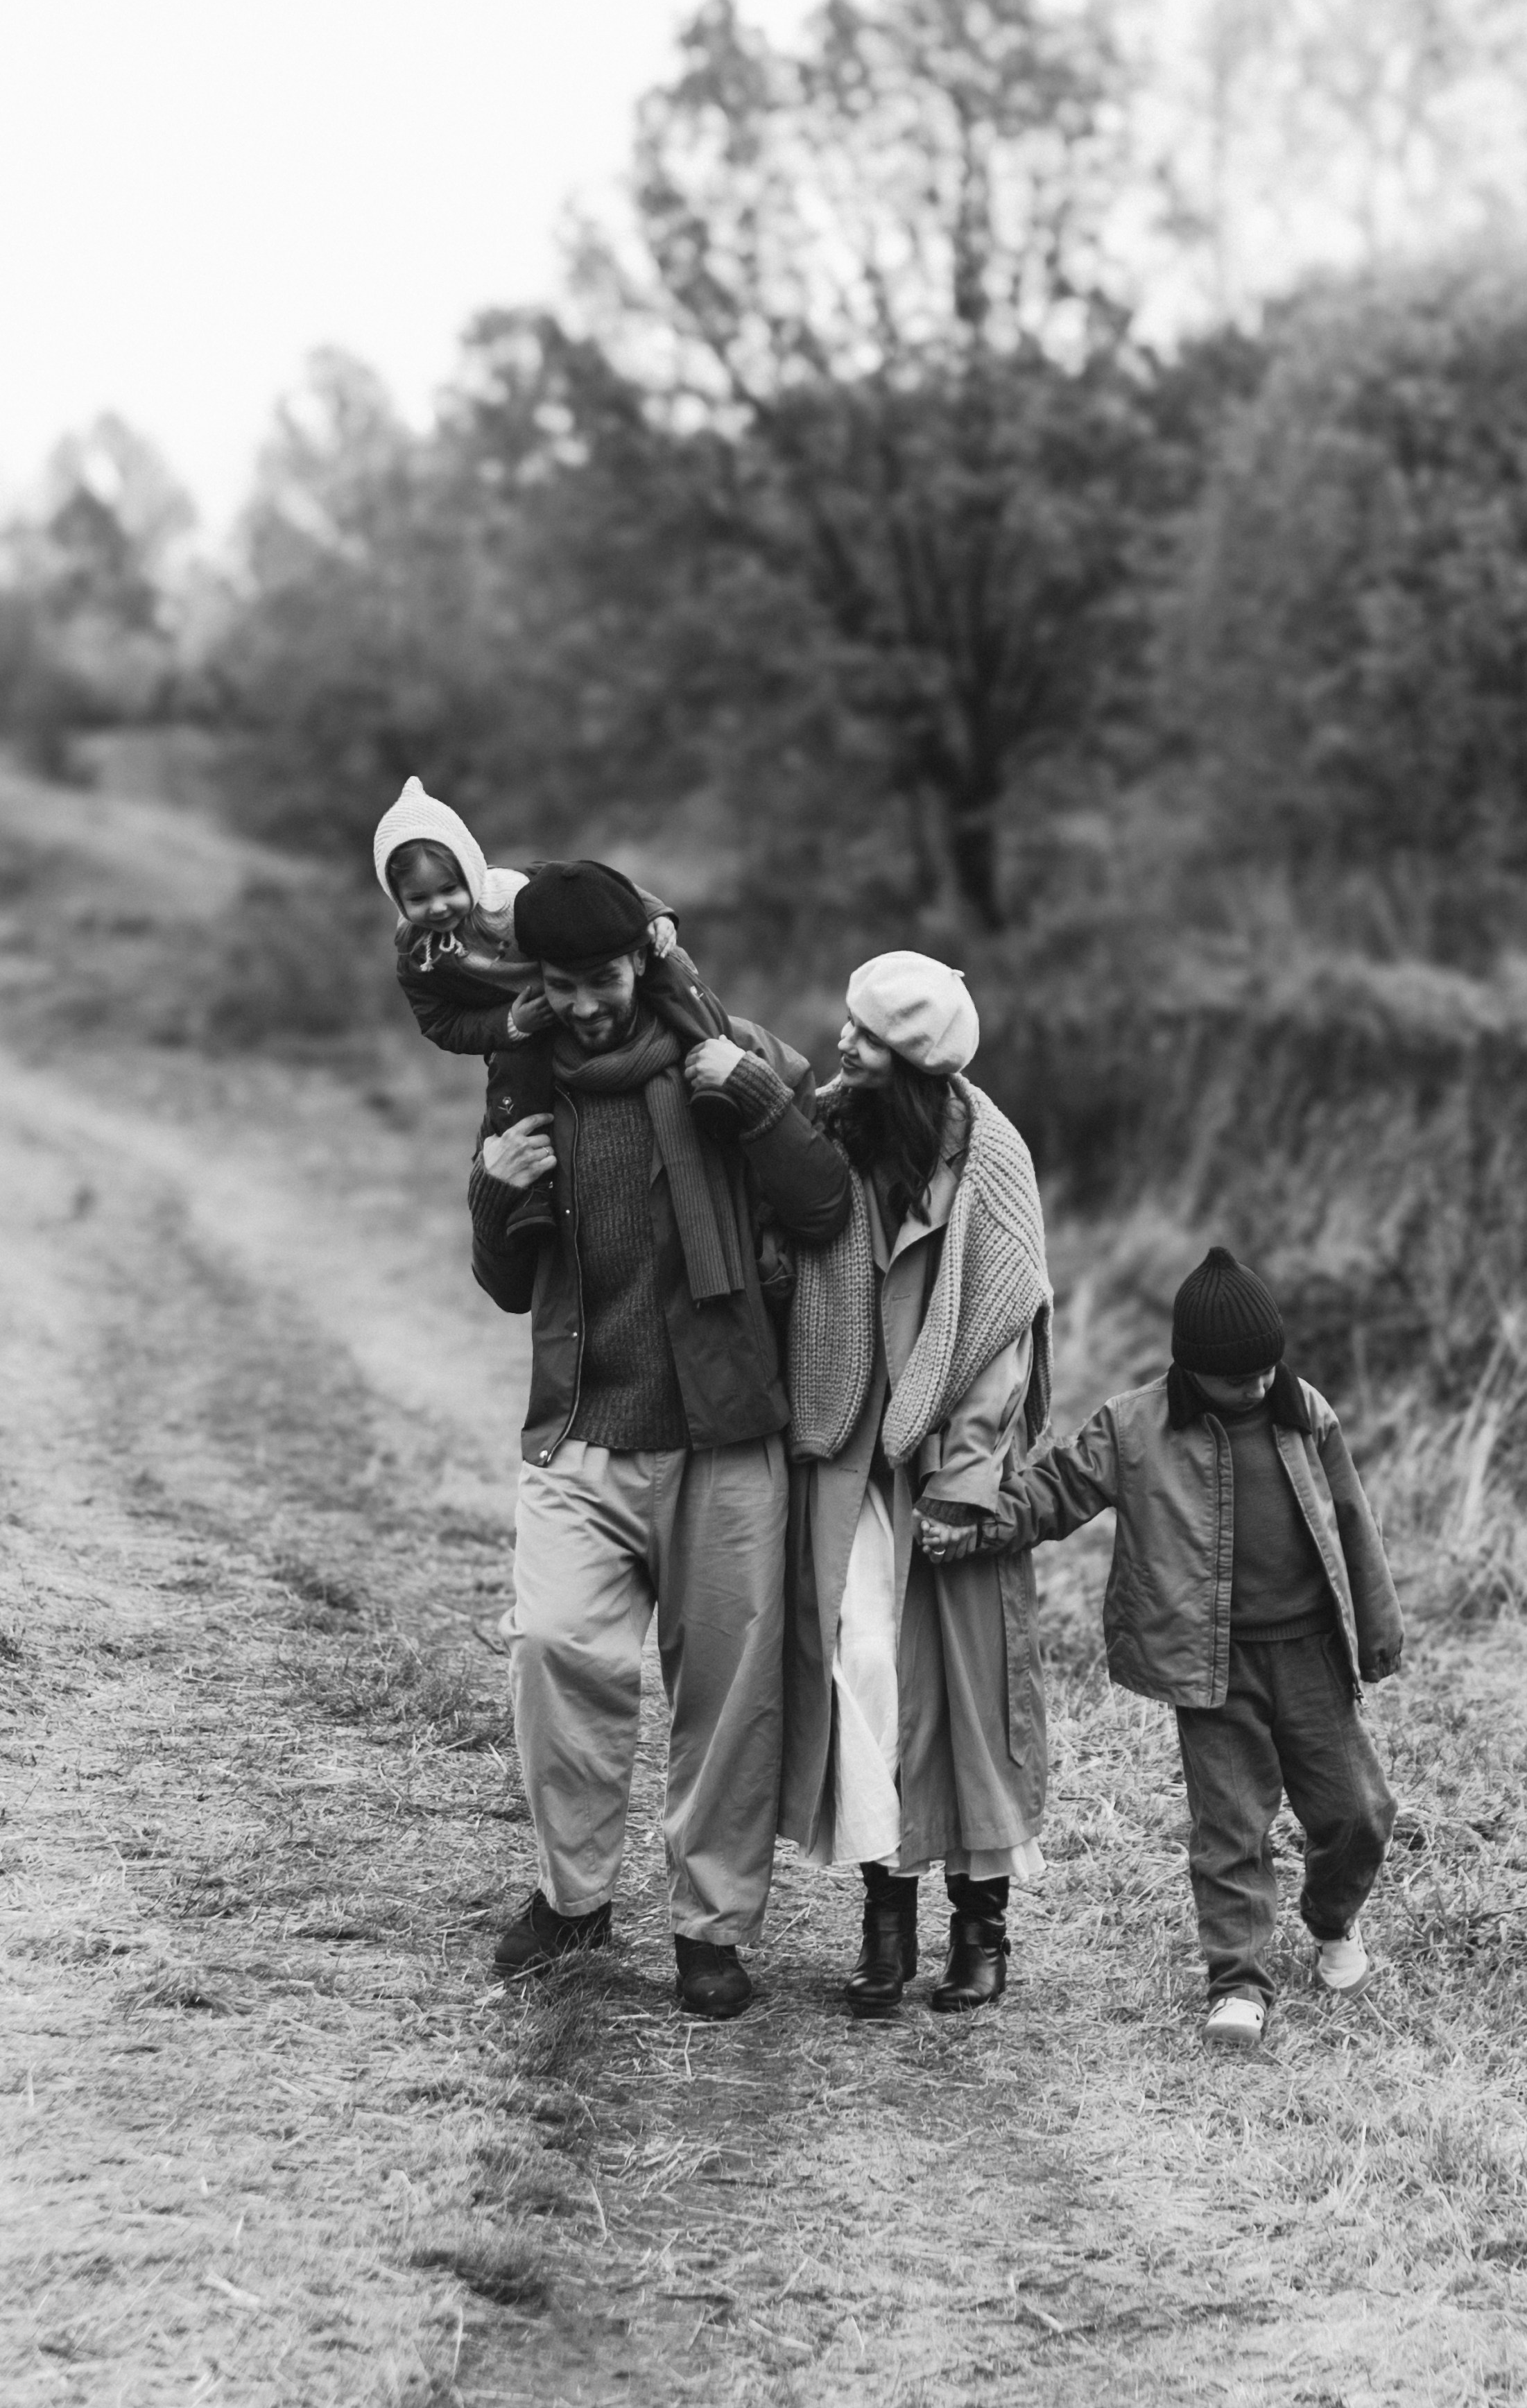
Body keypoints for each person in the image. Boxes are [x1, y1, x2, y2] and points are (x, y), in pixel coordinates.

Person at [469, 859, 852, 2018]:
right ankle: (574, 1900)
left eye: (602, 976)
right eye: (561, 984)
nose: (586, 1003)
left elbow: (824, 1203)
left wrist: (758, 1101)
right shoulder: (521, 1078)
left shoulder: (725, 1053)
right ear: (534, 984)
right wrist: (492, 1189)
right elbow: (503, 1284)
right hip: (582, 1427)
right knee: (552, 1646)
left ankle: (710, 1929)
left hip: (722, 1429)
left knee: (727, 1696)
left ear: (644, 958)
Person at [921, 1246, 1403, 2051]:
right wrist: (973, 1521)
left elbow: (1352, 1519)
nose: (1254, 1386)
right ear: (1191, 1369)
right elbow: (1056, 1490)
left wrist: (1377, 1634)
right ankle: (1238, 1985)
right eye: (1235, 1377)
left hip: (1311, 1652)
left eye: (1264, 1370)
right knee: (1231, 1828)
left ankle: (1329, 1918)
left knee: (1359, 1813)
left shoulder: (1304, 1411)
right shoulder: (1135, 1425)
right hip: (1208, 1663)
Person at [779, 952, 1053, 2016]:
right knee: (866, 1675)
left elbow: (1005, 1333)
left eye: (866, 1037)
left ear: (914, 1061)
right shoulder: (837, 1139)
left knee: (971, 1700)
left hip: (951, 1473)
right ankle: (884, 1922)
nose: (844, 1045)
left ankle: (982, 1934)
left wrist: (970, 1484)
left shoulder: (993, 1160)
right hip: (853, 1457)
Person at [372, 775, 729, 1237]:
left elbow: (596, 886)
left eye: (449, 890)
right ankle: (533, 1193)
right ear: (396, 898)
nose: (438, 908)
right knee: (513, 1081)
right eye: (418, 899)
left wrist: (655, 916)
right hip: (524, 1022)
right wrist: (509, 1024)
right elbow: (441, 1023)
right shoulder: (419, 960)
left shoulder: (514, 891)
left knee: (668, 969)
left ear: (472, 872)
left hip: (571, 974)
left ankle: (716, 1061)